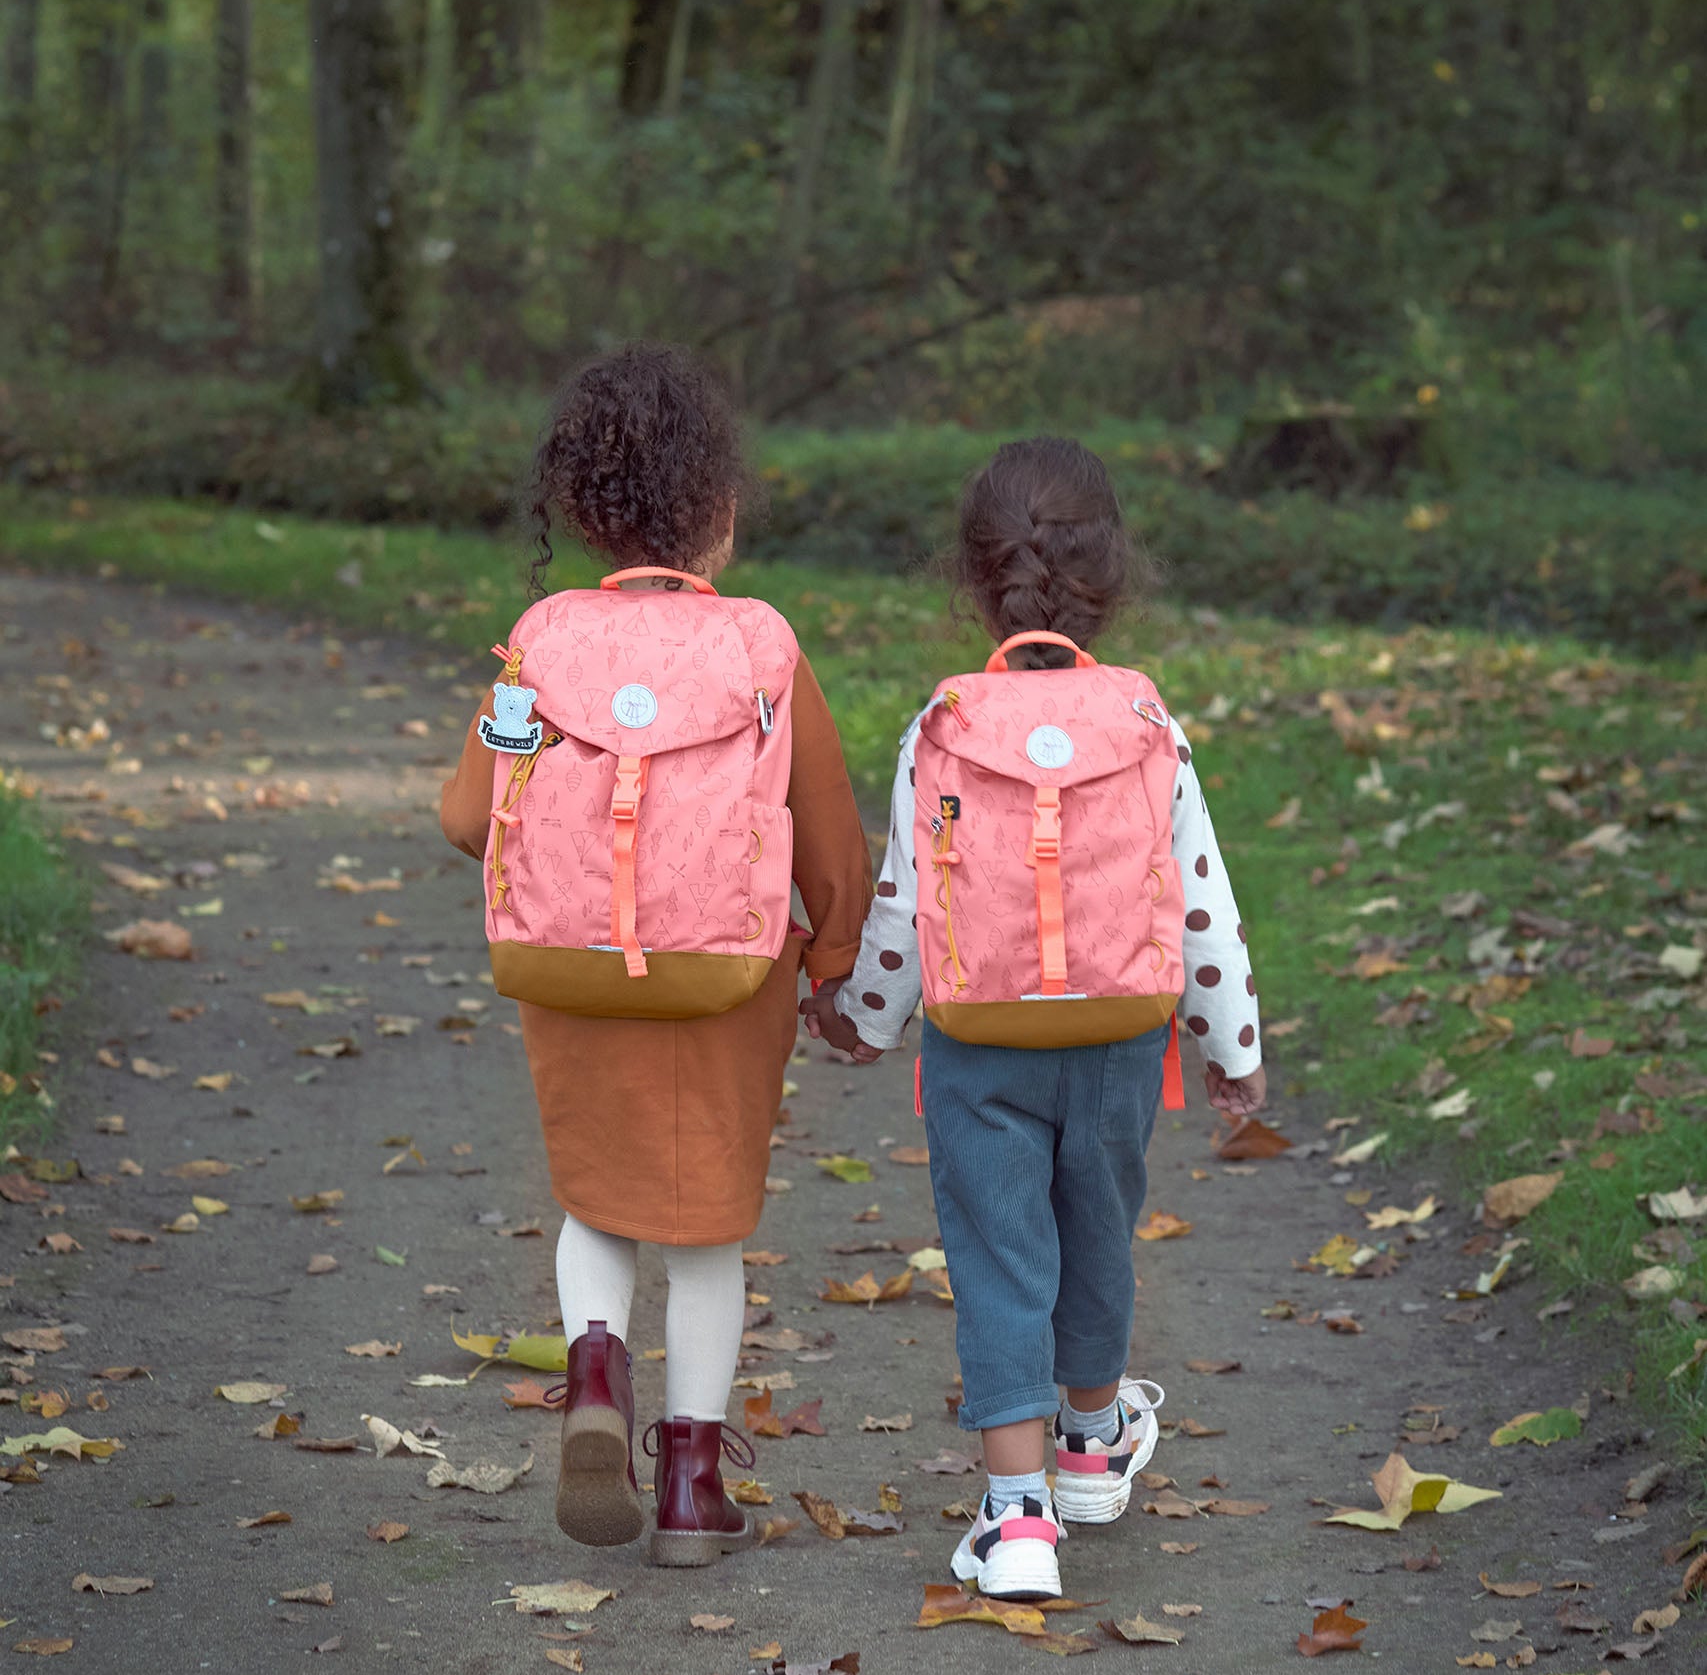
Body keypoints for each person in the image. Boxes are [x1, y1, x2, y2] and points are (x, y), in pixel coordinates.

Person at [802, 436, 1264, 1600]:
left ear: (974, 576)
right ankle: (1093, 1445)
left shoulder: (946, 724)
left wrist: (864, 1014)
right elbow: (1199, 902)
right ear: (1110, 569)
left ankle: (1017, 1524)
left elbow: (907, 901)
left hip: (980, 1044)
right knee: (1099, 1232)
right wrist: (1232, 1048)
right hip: (1118, 1037)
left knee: (1001, 1257)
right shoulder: (1148, 724)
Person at [441, 345, 872, 1567]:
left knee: (597, 1199)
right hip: (727, 976)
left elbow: (474, 816)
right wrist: (837, 960)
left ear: (583, 509)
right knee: (707, 1231)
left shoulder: (538, 641)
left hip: (572, 964)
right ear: (719, 511)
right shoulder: (763, 645)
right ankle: (690, 1489)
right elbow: (828, 822)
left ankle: (592, 1368)